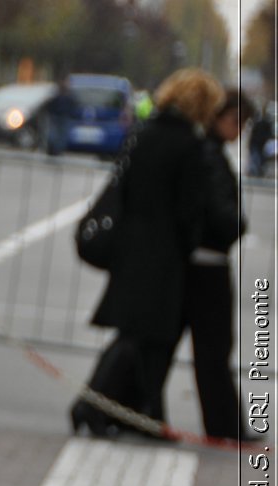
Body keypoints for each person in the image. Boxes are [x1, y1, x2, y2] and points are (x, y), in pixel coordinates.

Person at [69, 69, 222, 438]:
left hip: (131, 243)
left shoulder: (144, 133)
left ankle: (135, 413)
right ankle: (90, 405)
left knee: (139, 335)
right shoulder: (189, 146)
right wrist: (190, 242)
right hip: (163, 251)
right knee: (139, 337)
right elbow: (189, 209)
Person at [181, 88, 252, 441]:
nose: (238, 129)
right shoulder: (209, 156)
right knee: (214, 347)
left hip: (200, 261)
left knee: (207, 348)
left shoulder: (209, 152)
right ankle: (224, 424)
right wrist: (238, 225)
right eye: (234, 121)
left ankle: (225, 423)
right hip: (207, 264)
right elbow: (219, 213)